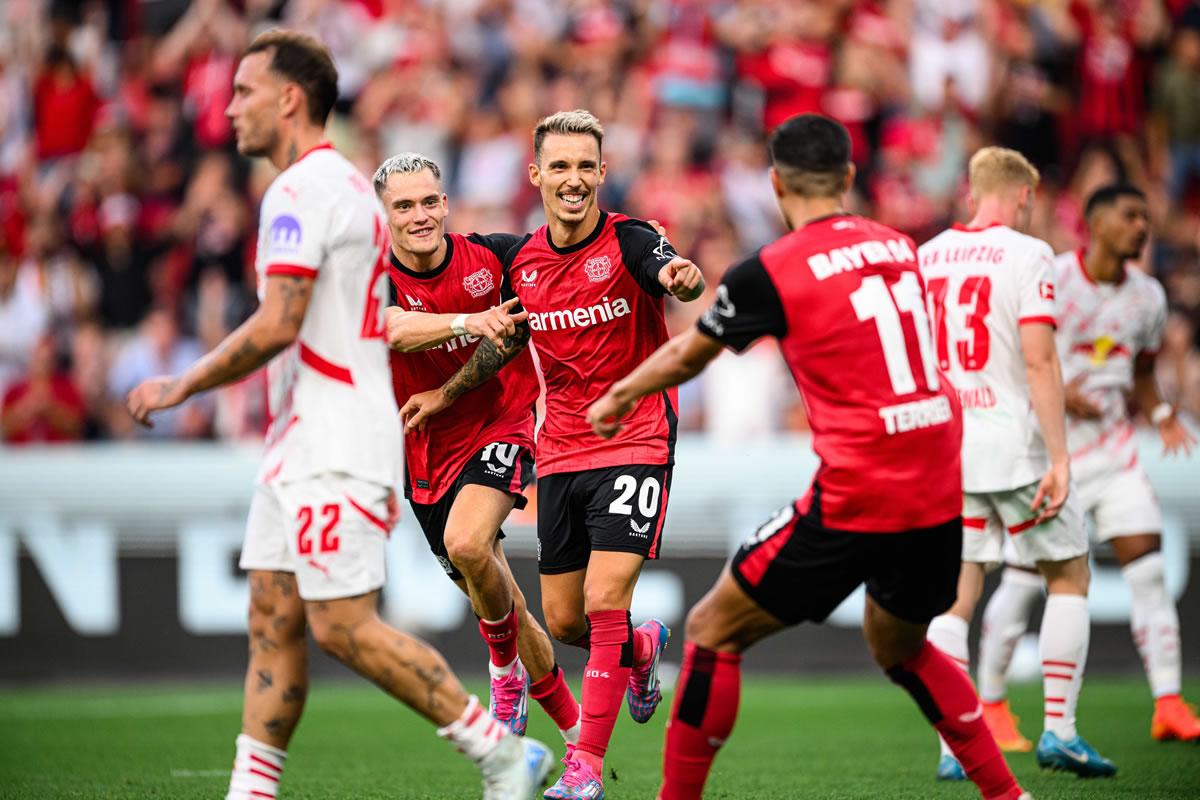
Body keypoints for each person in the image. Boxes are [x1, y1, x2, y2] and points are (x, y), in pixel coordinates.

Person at [124, 30, 550, 800]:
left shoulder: (305, 191)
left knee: (342, 626)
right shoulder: (343, 188)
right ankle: (250, 791)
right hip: (299, 439)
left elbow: (281, 322)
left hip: (338, 435)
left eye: (244, 91)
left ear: (289, 97)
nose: (230, 107)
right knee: (274, 619)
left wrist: (182, 382)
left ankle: (501, 754)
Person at [587, 113, 1027, 800]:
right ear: (849, 177)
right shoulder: (897, 245)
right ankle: (1009, 795)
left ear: (774, 184)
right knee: (902, 647)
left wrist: (618, 398)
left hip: (863, 489)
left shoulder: (772, 269)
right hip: (941, 478)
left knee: (710, 630)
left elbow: (687, 354)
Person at [400, 109, 705, 800]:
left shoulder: (629, 240)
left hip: (637, 437)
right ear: (536, 174)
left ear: (602, 172)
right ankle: (642, 648)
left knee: (601, 601)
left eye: (585, 166)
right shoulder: (521, 260)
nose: (573, 179)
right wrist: (446, 396)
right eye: (558, 166)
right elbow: (501, 342)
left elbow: (670, 272)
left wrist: (681, 275)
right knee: (566, 621)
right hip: (561, 450)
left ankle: (584, 769)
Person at [975, 184, 1199, 744]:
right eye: (1130, 215)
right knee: (1025, 583)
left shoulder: (1148, 296)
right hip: (1050, 454)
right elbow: (1007, 355)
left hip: (1115, 452)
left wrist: (1164, 412)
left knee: (1147, 573)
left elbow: (1142, 372)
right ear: (1096, 224)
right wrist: (1050, 391)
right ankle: (992, 705)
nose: (1143, 225)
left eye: (1146, 215)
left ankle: (1168, 703)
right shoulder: (1050, 276)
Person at [918, 146, 1115, 779]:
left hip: (951, 448)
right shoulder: (1031, 255)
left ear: (973, 192)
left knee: (956, 597)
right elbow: (1039, 361)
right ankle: (1060, 730)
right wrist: (1060, 456)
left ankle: (953, 747)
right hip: (1015, 447)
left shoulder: (927, 256)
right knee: (1068, 574)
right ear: (1024, 197)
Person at [376, 151, 581, 742]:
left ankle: (500, 672)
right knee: (504, 600)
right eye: (404, 205)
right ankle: (578, 742)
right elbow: (390, 328)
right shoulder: (371, 276)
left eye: (428, 201)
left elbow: (554, 268)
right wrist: (471, 320)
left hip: (502, 423)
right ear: (385, 216)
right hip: (426, 450)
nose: (420, 215)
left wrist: (646, 245)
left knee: (466, 542)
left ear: (446, 202)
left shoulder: (495, 254)